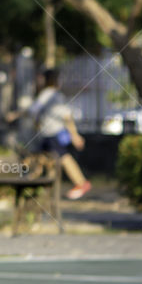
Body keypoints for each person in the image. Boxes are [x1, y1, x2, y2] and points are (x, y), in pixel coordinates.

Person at [23, 66, 91, 200]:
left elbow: (65, 116)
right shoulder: (55, 95)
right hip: (48, 134)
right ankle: (37, 187)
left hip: (52, 134)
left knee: (63, 158)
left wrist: (75, 136)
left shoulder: (49, 94)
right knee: (43, 159)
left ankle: (81, 183)